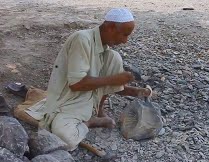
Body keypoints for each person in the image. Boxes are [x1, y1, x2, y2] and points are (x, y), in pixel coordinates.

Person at [24, 8, 152, 151]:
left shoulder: (107, 51)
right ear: (110, 27)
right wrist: (114, 79)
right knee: (66, 139)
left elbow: (109, 86)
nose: (125, 41)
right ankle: (91, 122)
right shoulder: (82, 39)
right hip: (68, 101)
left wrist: (137, 92)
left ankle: (98, 110)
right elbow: (76, 84)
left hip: (89, 100)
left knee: (115, 57)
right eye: (124, 34)